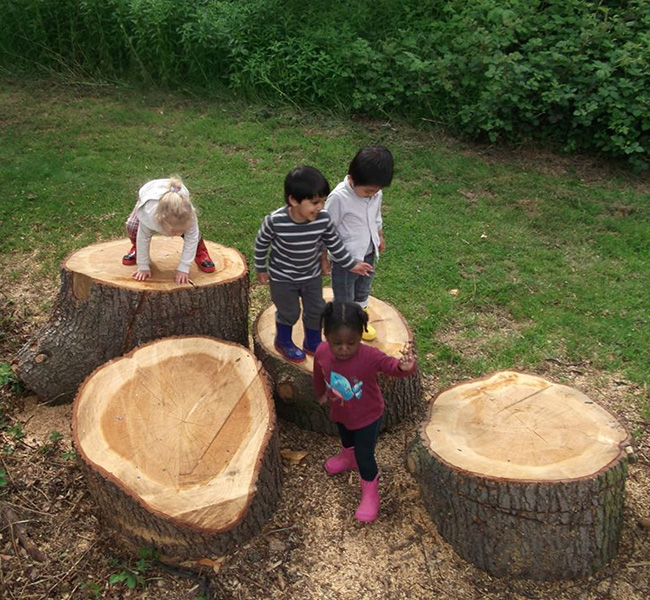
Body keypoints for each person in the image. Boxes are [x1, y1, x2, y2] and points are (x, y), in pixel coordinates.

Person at [254, 166, 374, 363]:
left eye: (323, 202)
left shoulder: (323, 220)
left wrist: (351, 264)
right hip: (283, 279)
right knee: (289, 311)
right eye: (315, 202)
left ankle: (313, 342)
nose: (320, 207)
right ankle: (283, 340)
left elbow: (334, 244)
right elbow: (261, 244)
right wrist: (261, 268)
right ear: (293, 200)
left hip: (310, 276)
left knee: (316, 309)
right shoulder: (275, 221)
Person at [313, 301, 416, 522]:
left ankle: (370, 491)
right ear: (326, 335)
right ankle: (347, 458)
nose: (343, 349)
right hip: (341, 410)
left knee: (365, 455)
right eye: (336, 343)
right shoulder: (322, 351)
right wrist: (320, 391)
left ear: (360, 336)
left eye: (351, 343)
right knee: (345, 437)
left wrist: (403, 368)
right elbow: (318, 370)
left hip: (368, 416)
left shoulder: (369, 355)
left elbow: (390, 366)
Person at [324, 146, 394, 341]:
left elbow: (376, 216)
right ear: (352, 179)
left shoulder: (375, 193)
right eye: (368, 191)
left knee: (363, 290)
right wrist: (323, 258)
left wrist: (379, 235)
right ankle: (342, 326)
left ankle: (359, 321)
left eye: (377, 190)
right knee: (345, 296)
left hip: (368, 253)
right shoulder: (339, 198)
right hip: (346, 260)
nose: (373, 194)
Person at [123, 176, 215, 284]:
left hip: (176, 195)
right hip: (149, 195)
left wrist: (184, 268)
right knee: (132, 226)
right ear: (161, 221)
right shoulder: (149, 215)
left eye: (182, 230)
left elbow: (192, 238)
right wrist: (143, 266)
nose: (179, 234)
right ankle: (137, 249)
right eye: (175, 231)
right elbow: (143, 237)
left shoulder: (188, 215)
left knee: (193, 234)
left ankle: (200, 252)